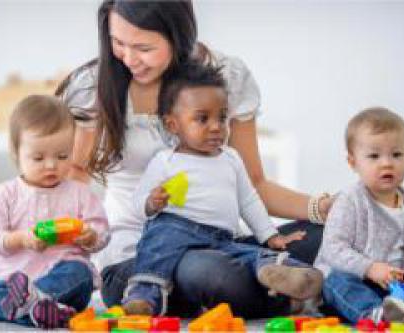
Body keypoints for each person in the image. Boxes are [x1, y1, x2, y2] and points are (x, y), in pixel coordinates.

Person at [57, 0, 332, 318]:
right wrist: (74, 241)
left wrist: (322, 209)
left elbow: (254, 186)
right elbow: (75, 178)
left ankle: (274, 276)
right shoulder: (94, 86)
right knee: (204, 271)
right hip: (139, 258)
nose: (129, 58)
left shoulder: (224, 77)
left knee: (329, 235)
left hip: (220, 241)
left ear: (178, 35)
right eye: (118, 43)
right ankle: (309, 291)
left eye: (143, 47)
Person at [120, 61, 323, 316]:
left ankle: (285, 271)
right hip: (175, 230)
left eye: (222, 117)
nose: (216, 126)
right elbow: (138, 202)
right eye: (202, 119)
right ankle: (144, 295)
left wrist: (271, 236)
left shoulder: (231, 158)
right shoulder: (165, 161)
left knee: (245, 254)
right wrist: (152, 203)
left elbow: (249, 201)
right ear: (173, 125)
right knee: (156, 246)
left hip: (222, 238)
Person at [0, 95, 110, 329]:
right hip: (14, 278)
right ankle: (42, 311)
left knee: (80, 273)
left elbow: (102, 232)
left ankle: (31, 305)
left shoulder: (80, 194)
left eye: (62, 156)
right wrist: (19, 239)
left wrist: (91, 237)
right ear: (16, 152)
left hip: (63, 279)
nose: (51, 165)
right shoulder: (5, 195)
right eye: (38, 158)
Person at [315, 107, 404, 330]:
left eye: (396, 155)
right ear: (353, 162)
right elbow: (332, 248)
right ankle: (382, 316)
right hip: (360, 283)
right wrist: (369, 268)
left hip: (401, 289)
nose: (387, 163)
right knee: (336, 281)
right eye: (374, 156)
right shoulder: (350, 200)